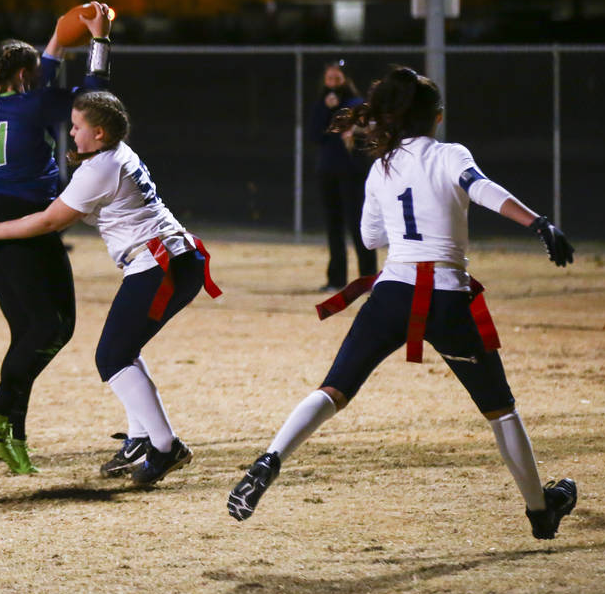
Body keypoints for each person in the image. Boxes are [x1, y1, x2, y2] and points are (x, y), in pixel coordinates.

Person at [227, 67, 578, 540]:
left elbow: (371, 236)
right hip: (445, 297)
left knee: (335, 389)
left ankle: (270, 460)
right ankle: (541, 511)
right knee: (501, 410)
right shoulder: (450, 154)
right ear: (435, 118)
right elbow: (483, 189)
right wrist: (539, 224)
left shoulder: (382, 166)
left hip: (392, 292)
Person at [0, 91, 221, 485]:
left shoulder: (99, 168)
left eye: (78, 127)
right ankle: (139, 438)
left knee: (111, 357)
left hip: (162, 265)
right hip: (177, 259)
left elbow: (51, 221)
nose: (71, 132)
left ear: (99, 132)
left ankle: (166, 447)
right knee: (123, 351)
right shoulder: (115, 154)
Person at [0, 3, 110, 474]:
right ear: (25, 75)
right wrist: (99, 41)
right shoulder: (33, 102)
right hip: (23, 222)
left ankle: (14, 434)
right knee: (52, 328)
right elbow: (96, 98)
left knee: (29, 331)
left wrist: (57, 43)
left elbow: (33, 87)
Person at [308, 61, 375, 290]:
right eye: (329, 80)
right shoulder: (321, 105)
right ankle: (336, 280)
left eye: (337, 79)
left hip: (352, 173)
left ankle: (368, 279)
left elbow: (363, 131)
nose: (333, 84)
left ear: (345, 80)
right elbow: (314, 135)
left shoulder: (355, 105)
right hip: (327, 172)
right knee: (333, 226)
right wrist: (326, 109)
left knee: (358, 226)